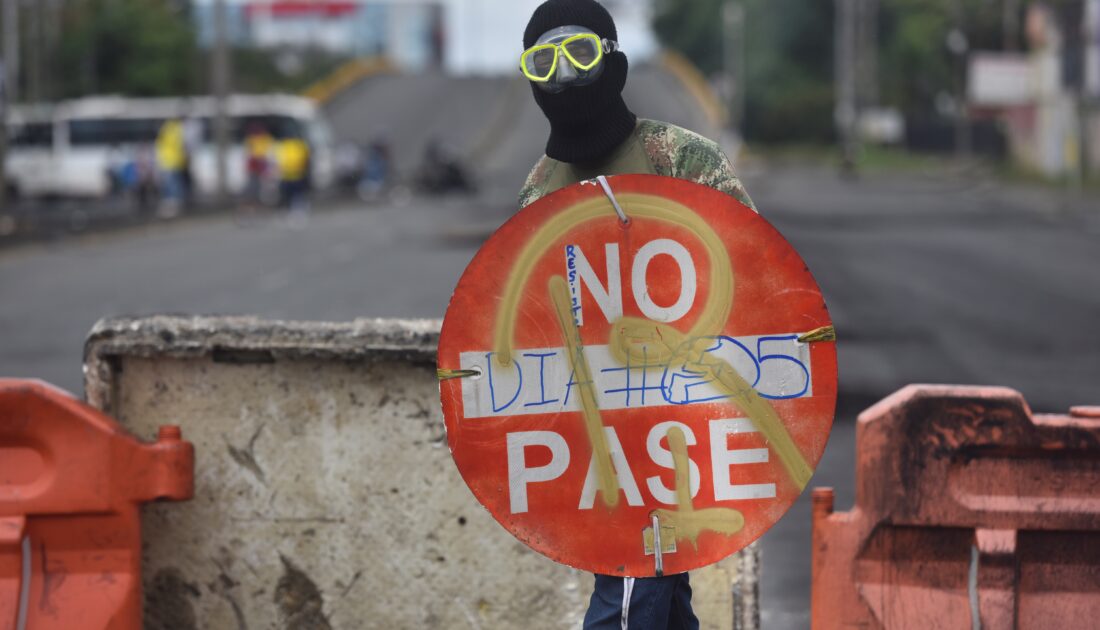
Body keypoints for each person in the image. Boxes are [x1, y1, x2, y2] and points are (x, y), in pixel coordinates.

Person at [516, 1, 755, 628]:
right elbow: (523, 320)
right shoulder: (541, 188)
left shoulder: (681, 159)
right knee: (659, 596)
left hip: (680, 417)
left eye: (581, 54)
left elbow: (759, 281)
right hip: (591, 433)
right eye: (545, 61)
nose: (564, 76)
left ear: (613, 61)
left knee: (630, 588)